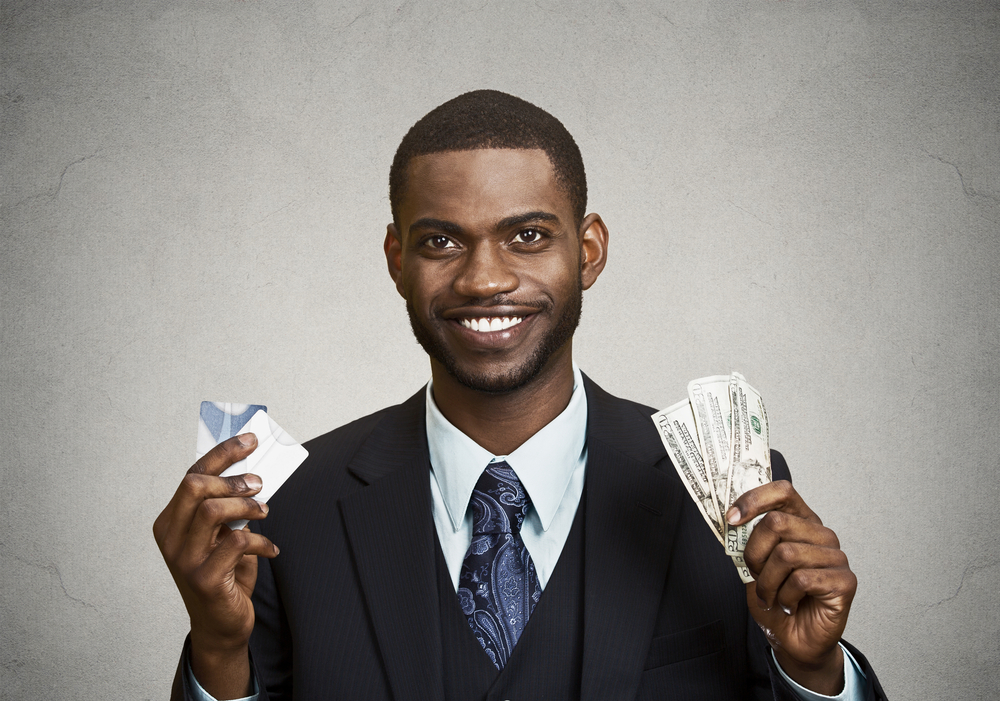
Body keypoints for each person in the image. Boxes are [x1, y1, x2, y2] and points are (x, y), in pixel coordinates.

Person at [153, 90, 886, 701]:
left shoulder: (731, 495)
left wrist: (814, 672)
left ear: (589, 250)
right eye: (441, 241)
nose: (484, 279)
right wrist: (218, 654)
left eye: (528, 235)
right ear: (396, 258)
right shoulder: (293, 506)